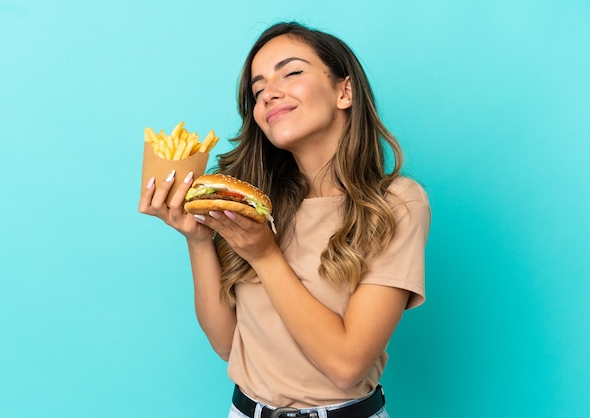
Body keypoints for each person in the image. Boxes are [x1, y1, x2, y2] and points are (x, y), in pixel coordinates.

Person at [139, 21, 430, 418]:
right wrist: (198, 240)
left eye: (291, 72)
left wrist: (264, 255)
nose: (269, 94)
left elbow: (347, 365)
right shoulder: (252, 204)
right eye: (258, 91)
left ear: (344, 91)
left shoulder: (396, 203)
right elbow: (230, 345)